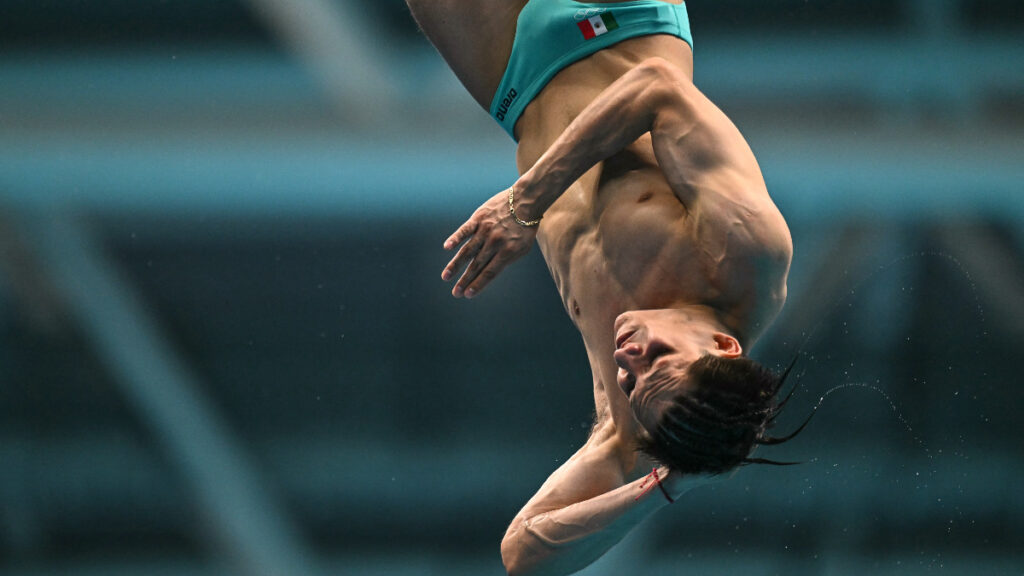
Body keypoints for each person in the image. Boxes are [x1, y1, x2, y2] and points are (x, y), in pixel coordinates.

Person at [407, 1, 798, 574]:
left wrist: (664, 488)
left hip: (516, 81)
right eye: (657, 359)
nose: (625, 356)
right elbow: (657, 88)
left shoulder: (627, 423)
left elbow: (525, 555)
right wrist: (526, 204)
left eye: (628, 378)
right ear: (722, 346)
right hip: (616, 19)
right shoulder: (747, 258)